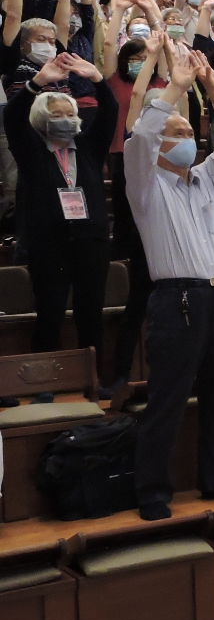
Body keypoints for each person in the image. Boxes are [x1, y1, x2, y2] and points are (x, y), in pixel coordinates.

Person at [124, 51, 214, 520]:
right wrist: (174, 90)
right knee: (168, 397)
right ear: (160, 142)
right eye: (176, 134)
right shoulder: (144, 184)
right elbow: (139, 137)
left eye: (189, 133)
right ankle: (153, 490)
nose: (188, 140)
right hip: (176, 299)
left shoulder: (207, 181)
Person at [4, 53, 115, 400]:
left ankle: (92, 381)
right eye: (57, 114)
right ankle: (43, 385)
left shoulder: (88, 148)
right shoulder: (32, 150)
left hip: (90, 241)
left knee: (90, 315)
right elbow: (12, 117)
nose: (66, 119)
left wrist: (98, 79)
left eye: (71, 113)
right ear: (42, 120)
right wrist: (36, 83)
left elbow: (110, 114)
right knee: (49, 315)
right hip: (49, 243)